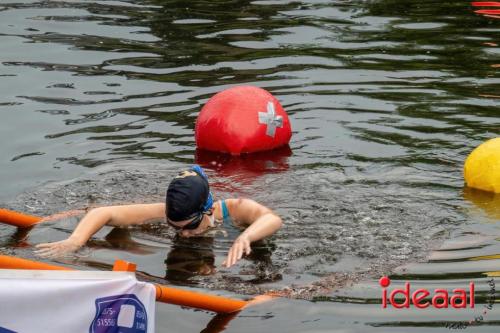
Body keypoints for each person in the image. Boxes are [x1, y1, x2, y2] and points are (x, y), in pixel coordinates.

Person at [34, 165, 283, 268]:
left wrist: (245, 237)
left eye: (190, 226)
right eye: (173, 226)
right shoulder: (163, 210)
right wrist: (75, 241)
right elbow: (103, 212)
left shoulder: (234, 209)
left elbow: (273, 219)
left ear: (208, 211)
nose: (182, 234)